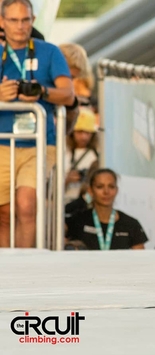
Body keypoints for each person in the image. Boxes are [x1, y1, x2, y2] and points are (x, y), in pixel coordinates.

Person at [0, 0, 74, 247]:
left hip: (40, 142)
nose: (20, 26)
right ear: (2, 22)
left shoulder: (50, 51)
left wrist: (42, 91)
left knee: (26, 204)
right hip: (2, 142)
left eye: (25, 20)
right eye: (14, 20)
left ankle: (25, 268)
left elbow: (69, 95)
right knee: (4, 211)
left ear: (32, 20)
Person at [66, 168, 148, 250]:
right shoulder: (77, 221)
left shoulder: (131, 224)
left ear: (117, 190)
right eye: (100, 187)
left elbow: (140, 259)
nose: (106, 191)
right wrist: (66, 182)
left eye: (111, 187)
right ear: (90, 191)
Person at [64, 107, 99, 204]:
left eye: (87, 132)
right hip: (66, 202)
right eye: (80, 132)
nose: (84, 137)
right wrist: (67, 180)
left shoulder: (98, 155)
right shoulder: (64, 154)